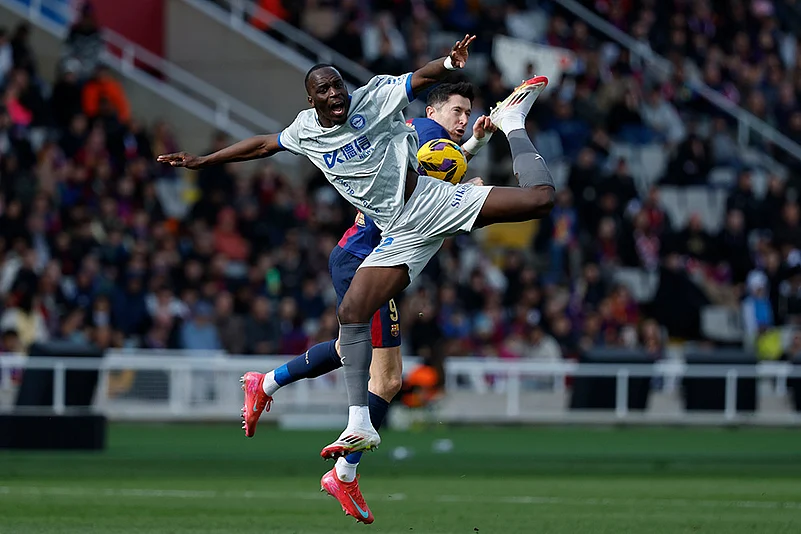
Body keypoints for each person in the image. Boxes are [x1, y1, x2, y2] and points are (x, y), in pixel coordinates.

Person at [158, 33, 554, 520]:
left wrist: (452, 72)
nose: (463, 118)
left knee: (373, 363)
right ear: (312, 99)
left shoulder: (383, 105)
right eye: (458, 110)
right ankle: (337, 445)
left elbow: (422, 86)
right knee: (377, 365)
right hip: (371, 245)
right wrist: (203, 161)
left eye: (338, 85)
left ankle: (300, 414)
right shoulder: (391, 130)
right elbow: (265, 144)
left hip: (416, 218)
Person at [224, 81, 494, 523]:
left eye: (468, 113)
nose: (463, 120)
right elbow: (434, 190)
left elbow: (434, 179)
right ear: (433, 111)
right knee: (386, 379)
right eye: (457, 111)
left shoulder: (426, 138)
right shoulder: (426, 132)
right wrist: (471, 182)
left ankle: (267, 384)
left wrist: (475, 147)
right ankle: (343, 472)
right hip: (363, 261)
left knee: (354, 351)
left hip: (365, 259)